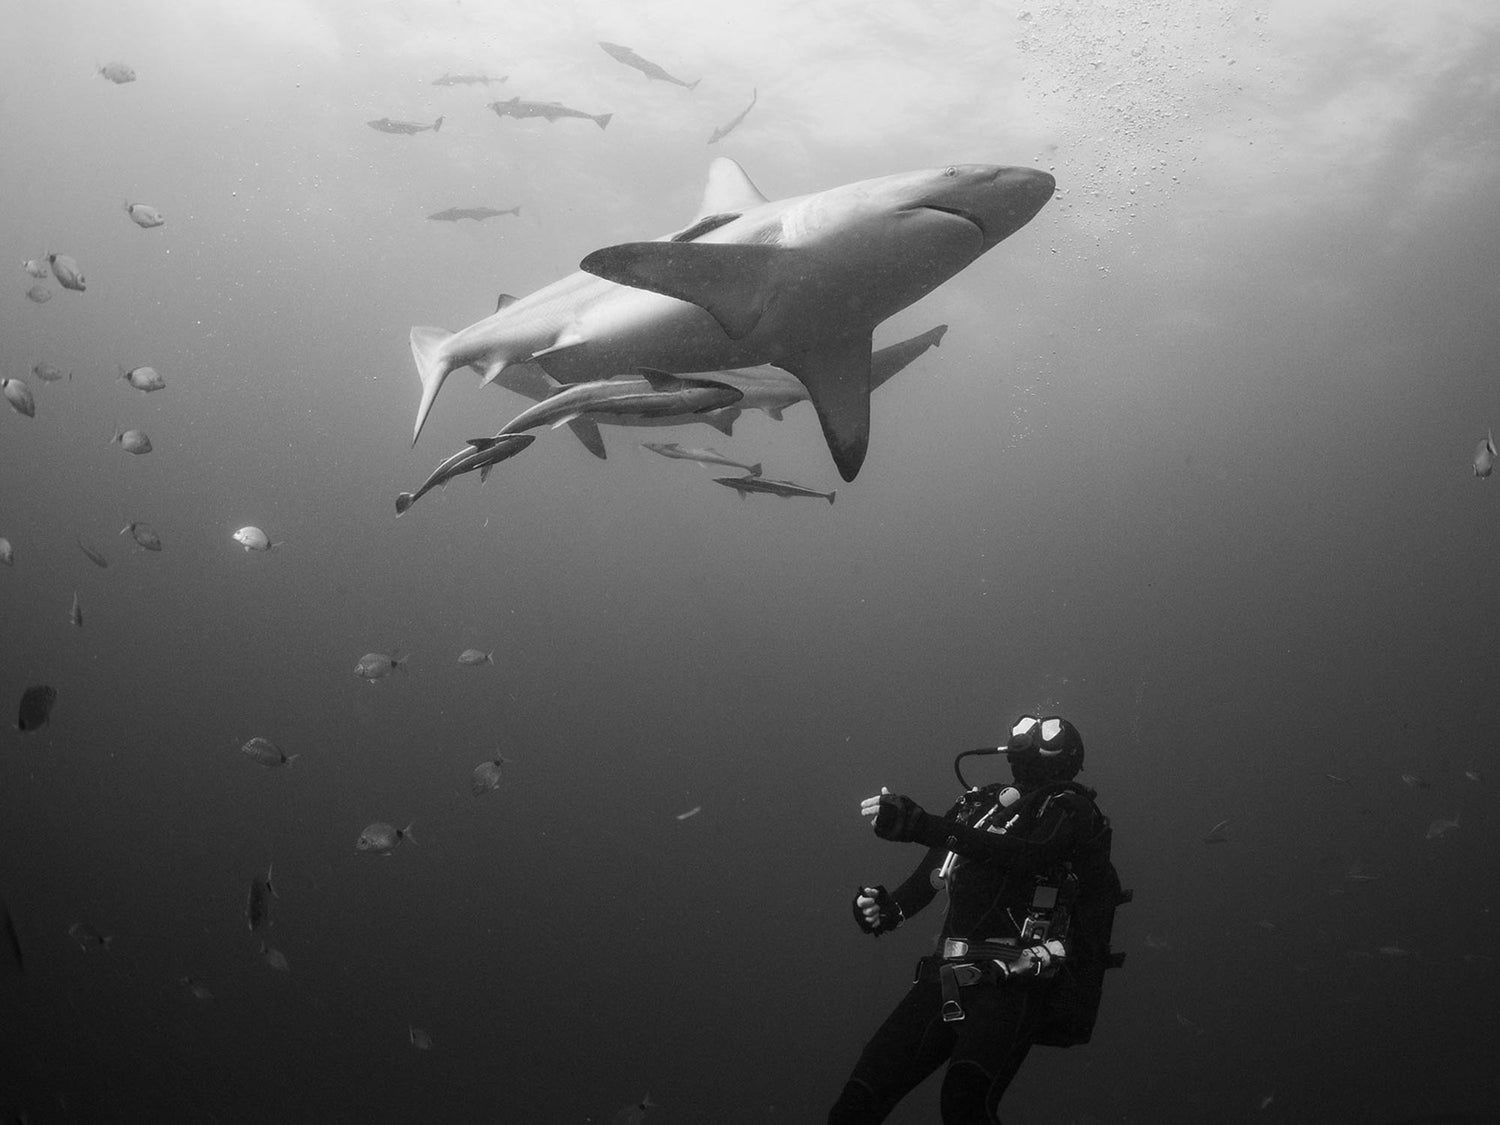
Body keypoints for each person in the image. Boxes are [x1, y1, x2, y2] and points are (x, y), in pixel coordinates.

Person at [828, 714, 1119, 1125]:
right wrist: (879, 908)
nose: (1029, 735)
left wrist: (922, 826)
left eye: (1048, 729)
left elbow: (1028, 856)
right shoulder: (977, 806)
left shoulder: (1072, 810)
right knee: (857, 1101)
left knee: (964, 1105)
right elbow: (924, 885)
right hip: (941, 978)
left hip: (1010, 985)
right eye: (1023, 727)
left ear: (1070, 755)